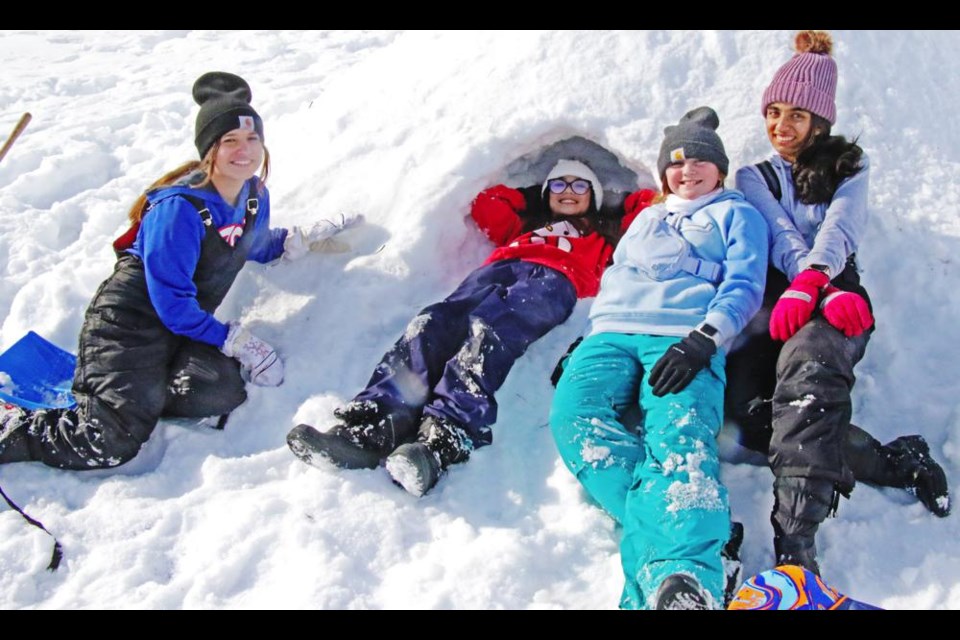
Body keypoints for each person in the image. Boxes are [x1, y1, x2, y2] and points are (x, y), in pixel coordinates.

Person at [0, 71, 355, 470]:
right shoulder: (180, 209)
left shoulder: (253, 195)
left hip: (178, 330)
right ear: (209, 150)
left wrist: (294, 240)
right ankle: (17, 426)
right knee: (111, 440)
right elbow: (171, 304)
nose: (245, 151)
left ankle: (136, 394)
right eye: (230, 141)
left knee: (220, 391)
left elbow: (247, 244)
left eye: (253, 139)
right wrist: (235, 341)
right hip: (129, 324)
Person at [287, 157, 656, 497]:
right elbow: (487, 204)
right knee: (432, 325)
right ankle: (376, 423)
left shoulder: (604, 236)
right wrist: (528, 197)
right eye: (558, 185)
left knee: (491, 331)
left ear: (594, 196)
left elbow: (649, 207)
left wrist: (614, 203)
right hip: (495, 271)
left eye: (580, 186)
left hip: (555, 281)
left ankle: (445, 434)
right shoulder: (525, 226)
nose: (569, 193)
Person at [727, 30, 951, 577]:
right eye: (774, 112)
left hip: (836, 301)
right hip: (777, 299)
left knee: (807, 385)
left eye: (797, 116)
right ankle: (894, 462)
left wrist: (821, 282)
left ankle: (796, 549)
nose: (782, 126)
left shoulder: (850, 166)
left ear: (820, 122)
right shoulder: (753, 177)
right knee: (752, 418)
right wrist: (804, 281)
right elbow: (780, 234)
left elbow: (841, 224)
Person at [549, 107, 769, 610]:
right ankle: (683, 536)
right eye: (675, 164)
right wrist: (583, 339)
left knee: (680, 438)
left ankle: (686, 578)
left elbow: (743, 288)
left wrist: (704, 339)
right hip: (610, 333)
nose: (686, 171)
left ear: (720, 167)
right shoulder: (648, 217)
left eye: (698, 161)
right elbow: (618, 278)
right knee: (573, 419)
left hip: (681, 338)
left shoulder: (738, 215)